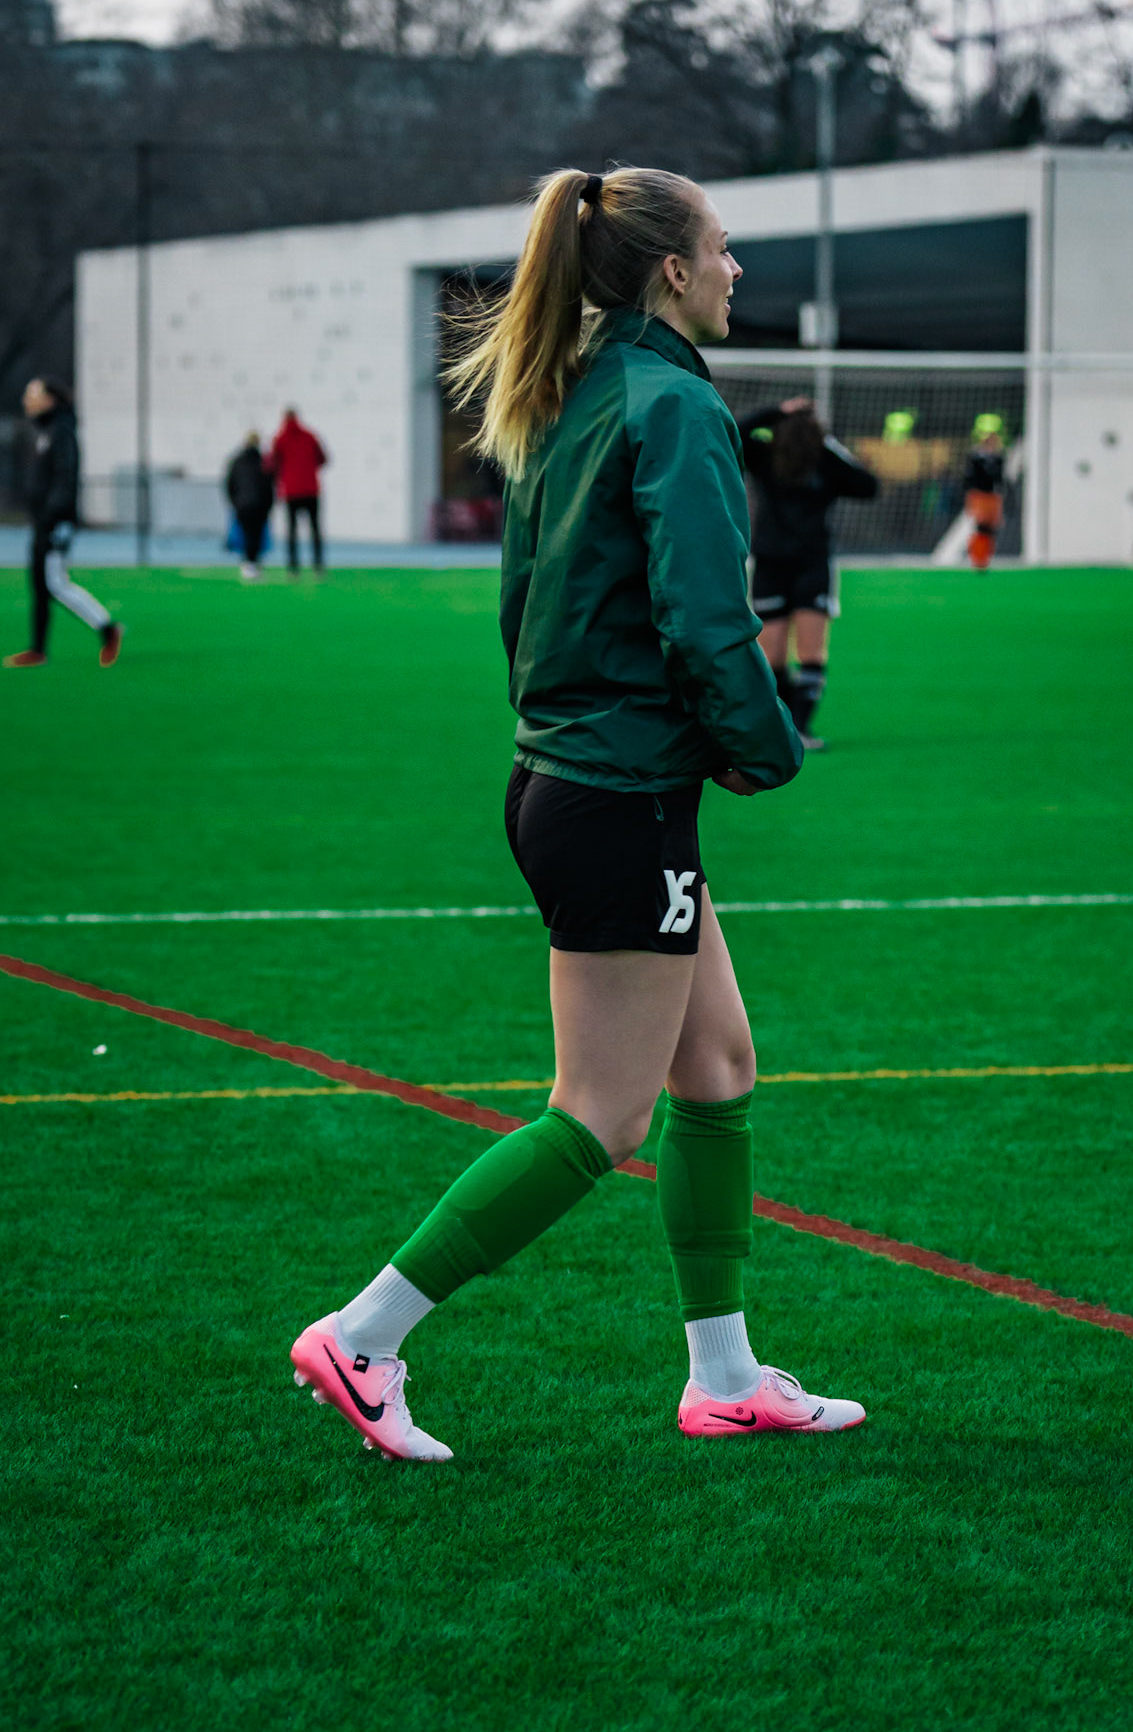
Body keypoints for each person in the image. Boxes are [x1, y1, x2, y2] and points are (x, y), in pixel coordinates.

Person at [289, 166, 866, 1460]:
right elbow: (706, 617)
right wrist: (765, 746)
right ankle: (364, 1334)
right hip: (615, 797)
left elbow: (531, 614)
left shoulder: (576, 392)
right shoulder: (673, 404)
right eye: (723, 250)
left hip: (576, 780)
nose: (736, 272)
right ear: (672, 269)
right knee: (601, 1114)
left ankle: (725, 1376)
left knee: (718, 1069)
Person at [737, 395, 877, 751]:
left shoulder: (817, 461)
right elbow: (732, 434)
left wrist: (775, 412)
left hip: (801, 562)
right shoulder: (773, 457)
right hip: (782, 562)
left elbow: (868, 486)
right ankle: (794, 727)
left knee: (789, 653)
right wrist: (829, 442)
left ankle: (796, 728)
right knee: (793, 653)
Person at [3, 377, 122, 670]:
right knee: (40, 585)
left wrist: (53, 516)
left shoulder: (62, 431)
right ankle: (37, 650)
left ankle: (107, 628)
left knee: (54, 583)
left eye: (32, 394)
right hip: (43, 520)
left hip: (54, 521)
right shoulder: (45, 431)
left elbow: (66, 477)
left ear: (50, 399)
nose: (26, 400)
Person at [269, 408, 327, 575]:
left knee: (292, 531)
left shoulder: (280, 439)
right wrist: (308, 469)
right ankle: (318, 565)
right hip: (311, 489)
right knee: (315, 529)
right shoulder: (310, 436)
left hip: (291, 491)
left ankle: (293, 567)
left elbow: (274, 464)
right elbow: (323, 459)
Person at [224, 431, 275, 581]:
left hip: (242, 504)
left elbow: (230, 484)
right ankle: (253, 564)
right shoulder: (263, 462)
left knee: (246, 535)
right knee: (256, 535)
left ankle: (248, 564)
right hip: (259, 505)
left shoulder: (236, 461)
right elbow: (269, 486)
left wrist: (235, 502)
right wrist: (268, 504)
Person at [963, 416, 1007, 571]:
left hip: (992, 497)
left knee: (990, 529)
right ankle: (977, 557)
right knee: (980, 527)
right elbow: (969, 478)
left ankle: (985, 557)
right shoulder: (976, 458)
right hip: (979, 495)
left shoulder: (999, 458)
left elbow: (1000, 478)